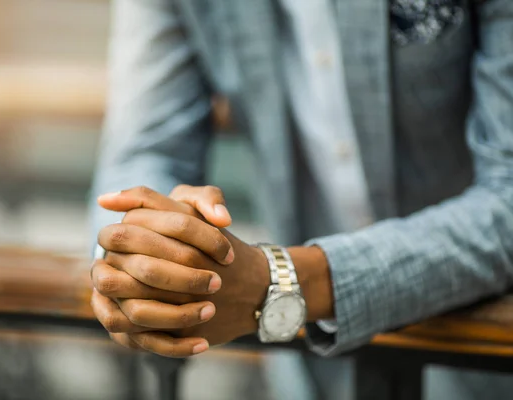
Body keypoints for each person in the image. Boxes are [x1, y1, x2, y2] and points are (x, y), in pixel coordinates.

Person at [90, 0, 513, 398]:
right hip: (306, 371)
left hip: (482, 350)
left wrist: (280, 279)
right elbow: (142, 155)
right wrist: (143, 253)